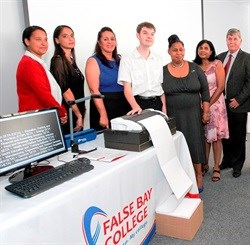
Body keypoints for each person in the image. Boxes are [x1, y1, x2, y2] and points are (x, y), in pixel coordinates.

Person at [162, 34, 210, 192]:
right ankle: (180, 177)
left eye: (181, 49)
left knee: (195, 143)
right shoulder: (162, 71)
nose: (178, 53)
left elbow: (205, 90)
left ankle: (198, 175)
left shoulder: (195, 68)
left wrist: (206, 110)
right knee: (177, 146)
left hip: (193, 114)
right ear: (169, 51)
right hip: (174, 116)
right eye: (175, 50)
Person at [194, 40, 229, 182]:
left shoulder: (217, 64)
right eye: (200, 48)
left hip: (215, 104)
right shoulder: (194, 66)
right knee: (204, 136)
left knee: (216, 137)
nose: (203, 50)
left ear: (211, 51)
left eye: (206, 48)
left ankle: (216, 167)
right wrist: (201, 105)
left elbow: (220, 87)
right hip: (199, 105)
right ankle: (205, 164)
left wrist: (207, 104)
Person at [16, 25, 67, 124]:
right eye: (38, 39)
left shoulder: (36, 62)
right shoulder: (29, 63)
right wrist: (61, 111)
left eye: (46, 39)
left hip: (42, 117)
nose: (44, 43)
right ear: (27, 41)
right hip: (35, 120)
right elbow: (43, 93)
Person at [217, 28, 250, 178]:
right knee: (225, 135)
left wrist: (239, 99)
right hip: (221, 105)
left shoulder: (247, 58)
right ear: (226, 40)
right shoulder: (220, 57)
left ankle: (237, 165)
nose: (232, 41)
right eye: (229, 39)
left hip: (239, 104)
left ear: (240, 41)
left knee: (238, 136)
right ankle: (228, 160)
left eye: (235, 39)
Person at [85, 27, 130, 131]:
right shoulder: (93, 61)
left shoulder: (121, 60)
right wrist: (103, 115)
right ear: (99, 42)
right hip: (105, 106)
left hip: (123, 105)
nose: (110, 42)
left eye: (112, 39)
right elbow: (94, 91)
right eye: (105, 39)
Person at [118, 21, 166, 115]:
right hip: (137, 104)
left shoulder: (158, 59)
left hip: (157, 103)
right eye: (145, 33)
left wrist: (164, 107)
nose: (149, 36)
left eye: (152, 34)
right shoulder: (127, 60)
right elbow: (127, 88)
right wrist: (135, 106)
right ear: (138, 35)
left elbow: (160, 87)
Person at [50, 25, 85, 135]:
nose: (70, 39)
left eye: (72, 36)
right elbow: (66, 91)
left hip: (76, 110)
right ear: (57, 40)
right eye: (65, 36)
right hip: (69, 112)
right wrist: (78, 115)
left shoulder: (70, 60)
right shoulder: (58, 61)